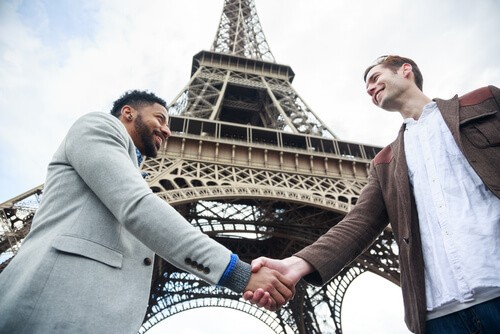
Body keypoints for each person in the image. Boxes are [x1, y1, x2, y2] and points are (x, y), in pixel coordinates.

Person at [0, 90, 293, 333]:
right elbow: (137, 206)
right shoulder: (97, 126)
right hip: (47, 307)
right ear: (128, 113)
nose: (167, 130)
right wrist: (236, 272)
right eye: (161, 119)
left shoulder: (134, 171)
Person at [245, 56, 500, 334]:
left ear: (406, 71)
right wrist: (294, 264)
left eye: (375, 77)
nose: (370, 88)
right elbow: (359, 223)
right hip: (441, 315)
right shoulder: (385, 161)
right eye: (366, 86)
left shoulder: (485, 101)